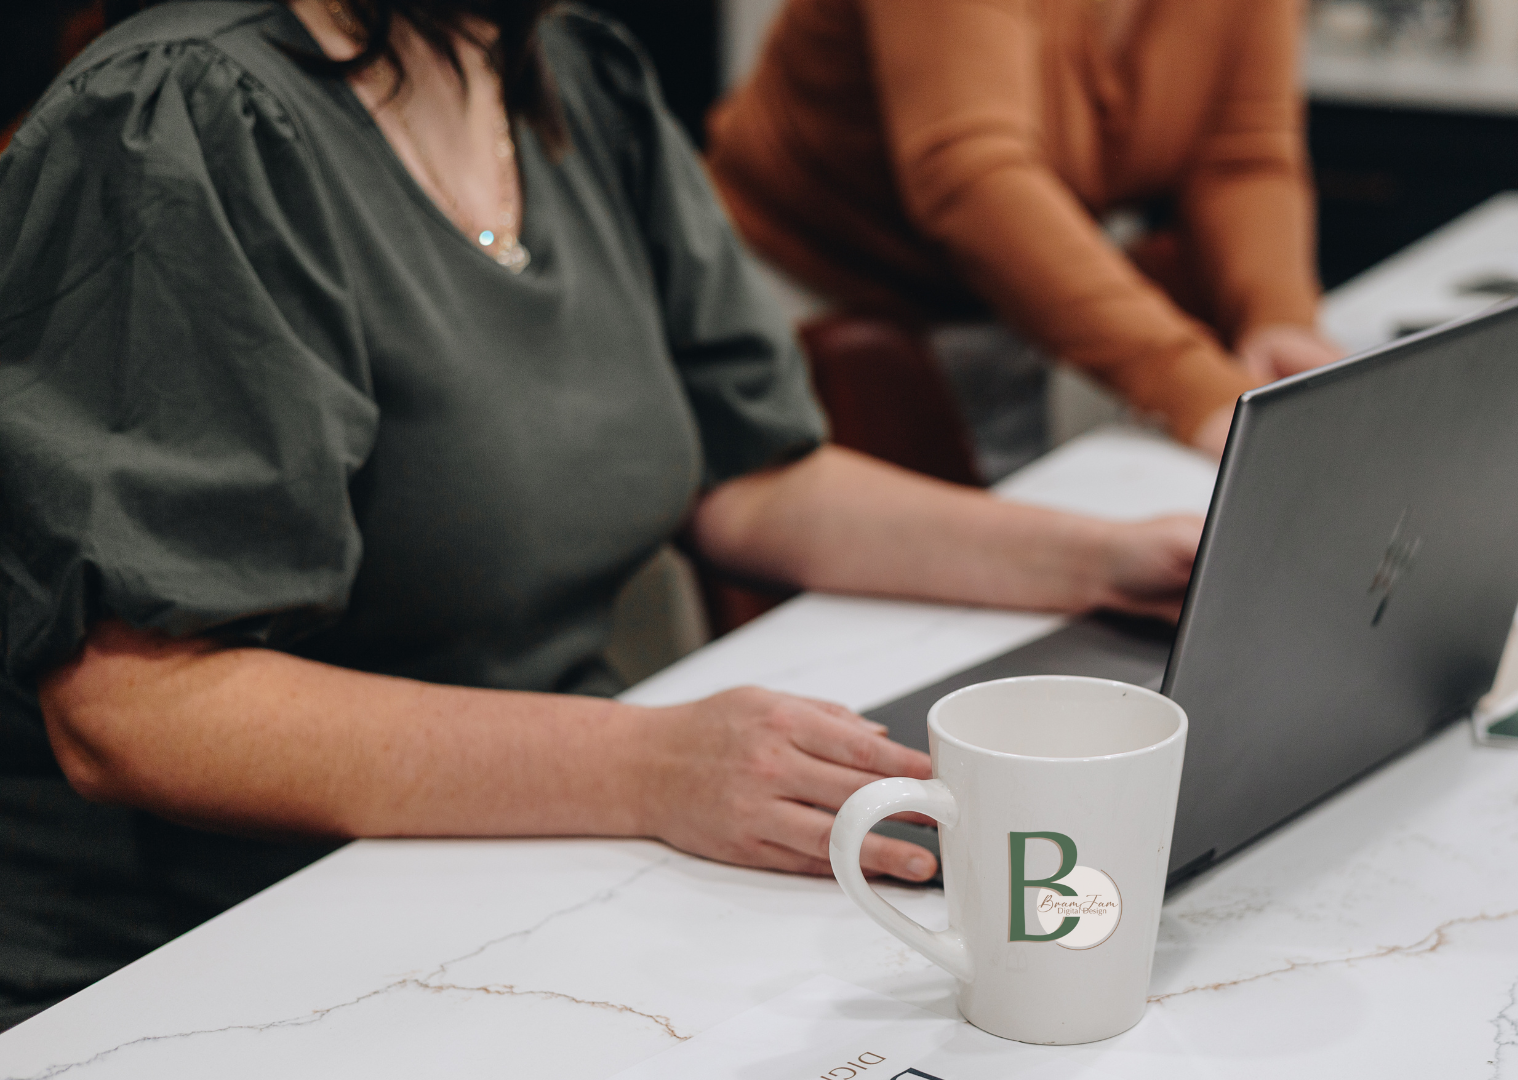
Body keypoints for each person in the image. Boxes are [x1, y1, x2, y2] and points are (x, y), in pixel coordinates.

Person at [0, 0, 1202, 1027]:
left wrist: (1100, 559)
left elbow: (748, 476)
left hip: (500, 872)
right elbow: (133, 707)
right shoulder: (183, 115)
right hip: (194, 961)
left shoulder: (572, 76)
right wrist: (647, 765)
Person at [706, 0, 1345, 464]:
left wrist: (1277, 319)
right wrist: (1190, 383)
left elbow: (1240, 157)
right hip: (804, 303)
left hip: (997, 311)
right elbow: (972, 177)